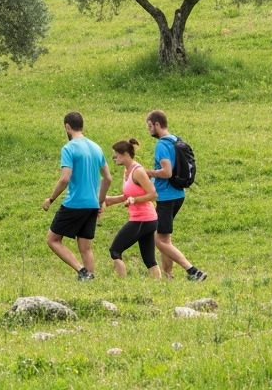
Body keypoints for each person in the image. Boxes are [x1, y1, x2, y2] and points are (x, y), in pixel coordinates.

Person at [42, 111, 112, 280]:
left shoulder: (69, 148)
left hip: (75, 202)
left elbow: (65, 178)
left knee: (53, 240)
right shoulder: (96, 147)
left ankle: (82, 271)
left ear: (67, 126)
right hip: (92, 204)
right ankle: (90, 279)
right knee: (85, 247)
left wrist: (51, 199)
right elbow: (108, 178)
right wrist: (100, 200)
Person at [145, 110, 206, 281]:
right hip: (178, 194)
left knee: (159, 240)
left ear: (157, 124)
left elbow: (166, 172)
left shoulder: (162, 145)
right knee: (165, 238)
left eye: (150, 126)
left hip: (166, 197)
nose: (149, 130)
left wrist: (149, 172)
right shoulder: (176, 140)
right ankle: (168, 275)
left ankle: (193, 271)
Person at [103, 138, 160, 279]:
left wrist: (135, 200)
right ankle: (159, 288)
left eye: (116, 154)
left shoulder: (138, 171)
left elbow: (153, 194)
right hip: (146, 219)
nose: (114, 157)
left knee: (115, 250)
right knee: (149, 260)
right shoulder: (127, 171)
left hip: (143, 219)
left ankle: (122, 284)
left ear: (125, 154)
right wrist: (109, 200)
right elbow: (127, 195)